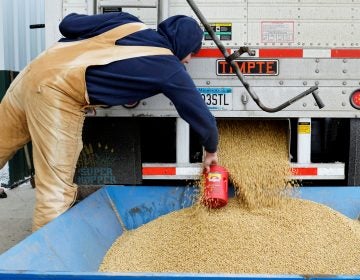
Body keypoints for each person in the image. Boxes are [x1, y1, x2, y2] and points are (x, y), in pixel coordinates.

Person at [0, 12, 218, 231]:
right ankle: (46, 257)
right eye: (192, 52)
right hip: (56, 94)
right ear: (183, 44)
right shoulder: (169, 68)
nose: (189, 59)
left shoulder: (127, 22)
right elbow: (198, 112)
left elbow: (68, 24)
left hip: (32, 72)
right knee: (55, 187)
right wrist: (211, 150)